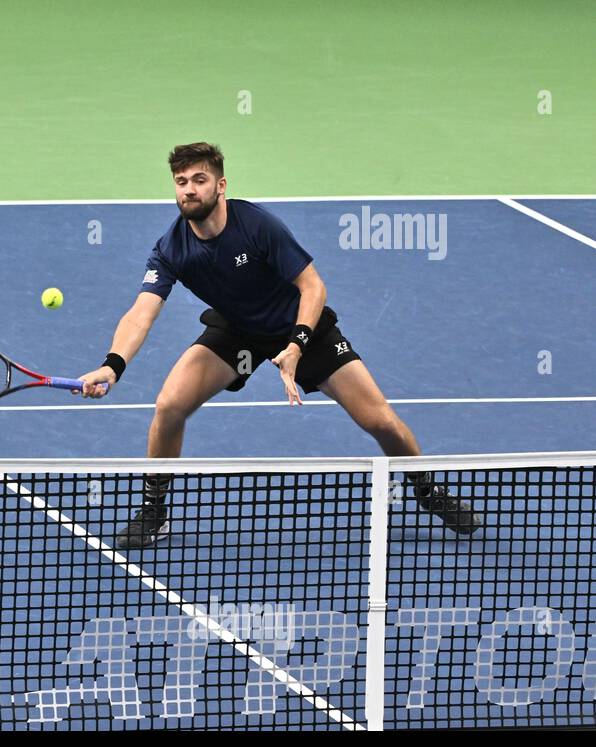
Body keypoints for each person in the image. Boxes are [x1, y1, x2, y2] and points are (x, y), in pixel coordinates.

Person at [77, 142, 482, 547]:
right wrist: (113, 365)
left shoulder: (256, 225)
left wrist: (297, 345)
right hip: (238, 331)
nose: (189, 190)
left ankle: (428, 492)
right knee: (169, 405)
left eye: (199, 180)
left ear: (221, 185)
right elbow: (141, 312)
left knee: (380, 421)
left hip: (300, 328)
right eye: (181, 182)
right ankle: (154, 512)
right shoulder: (171, 249)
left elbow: (313, 286)